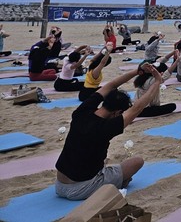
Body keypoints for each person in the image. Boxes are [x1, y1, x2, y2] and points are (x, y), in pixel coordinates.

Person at [55, 63, 163, 200]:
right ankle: (115, 182)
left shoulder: (81, 112)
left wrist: (137, 71)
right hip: (81, 189)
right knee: (137, 162)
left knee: (102, 160)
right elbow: (138, 108)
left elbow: (111, 85)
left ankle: (113, 179)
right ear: (117, 112)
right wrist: (157, 81)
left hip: (59, 185)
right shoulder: (106, 128)